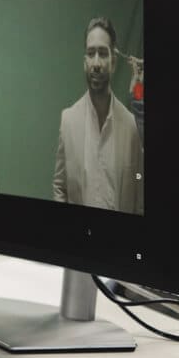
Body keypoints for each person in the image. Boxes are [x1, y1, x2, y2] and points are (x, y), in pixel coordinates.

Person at [52, 16, 144, 213]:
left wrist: (139, 92)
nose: (96, 63)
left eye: (102, 53)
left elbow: (139, 180)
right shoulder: (68, 120)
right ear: (84, 61)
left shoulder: (132, 126)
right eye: (90, 53)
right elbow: (60, 186)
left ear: (113, 62)